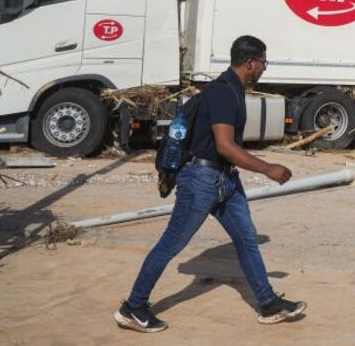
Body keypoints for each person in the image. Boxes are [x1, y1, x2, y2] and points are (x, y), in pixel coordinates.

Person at [115, 35, 307, 333]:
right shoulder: (222, 93)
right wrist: (268, 168)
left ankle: (269, 304)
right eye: (264, 62)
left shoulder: (232, 89)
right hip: (201, 180)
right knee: (171, 243)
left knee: (246, 239)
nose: (265, 68)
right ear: (250, 63)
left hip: (224, 180)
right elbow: (225, 146)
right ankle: (133, 308)